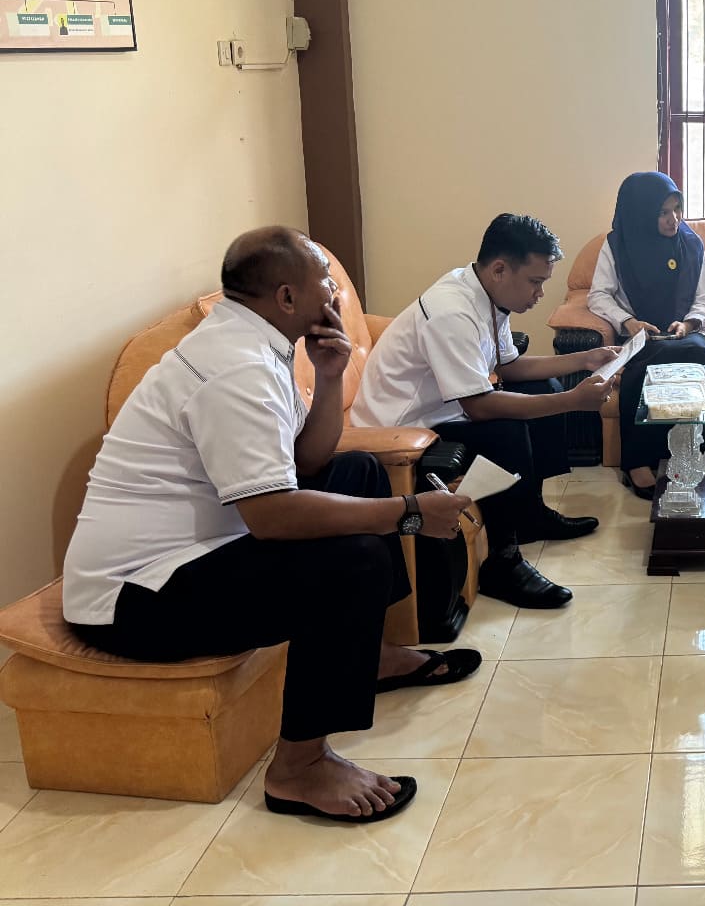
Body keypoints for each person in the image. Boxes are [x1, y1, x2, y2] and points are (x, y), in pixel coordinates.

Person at [63, 227, 480, 823]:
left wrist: (330, 376)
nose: (336, 292)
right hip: (132, 598)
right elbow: (274, 516)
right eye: (325, 281)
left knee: (360, 470)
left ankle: (375, 657)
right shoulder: (237, 367)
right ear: (287, 297)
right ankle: (300, 768)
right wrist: (409, 513)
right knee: (354, 561)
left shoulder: (258, 342)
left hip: (197, 553)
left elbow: (307, 463)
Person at [351, 214, 618, 610]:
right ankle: (503, 563)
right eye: (535, 281)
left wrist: (586, 358)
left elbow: (509, 366)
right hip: (400, 431)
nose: (540, 293)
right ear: (499, 269)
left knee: (544, 388)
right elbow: (479, 407)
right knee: (505, 429)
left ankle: (531, 515)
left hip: (441, 413)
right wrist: (572, 401)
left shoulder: (487, 296)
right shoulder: (451, 312)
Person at [589, 171, 705, 498]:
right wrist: (628, 322)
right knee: (646, 365)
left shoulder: (691, 244)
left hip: (688, 333)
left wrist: (688, 324)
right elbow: (598, 295)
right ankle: (638, 461)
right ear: (642, 213)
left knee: (697, 354)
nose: (674, 219)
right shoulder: (617, 245)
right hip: (642, 335)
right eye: (663, 212)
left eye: (677, 209)